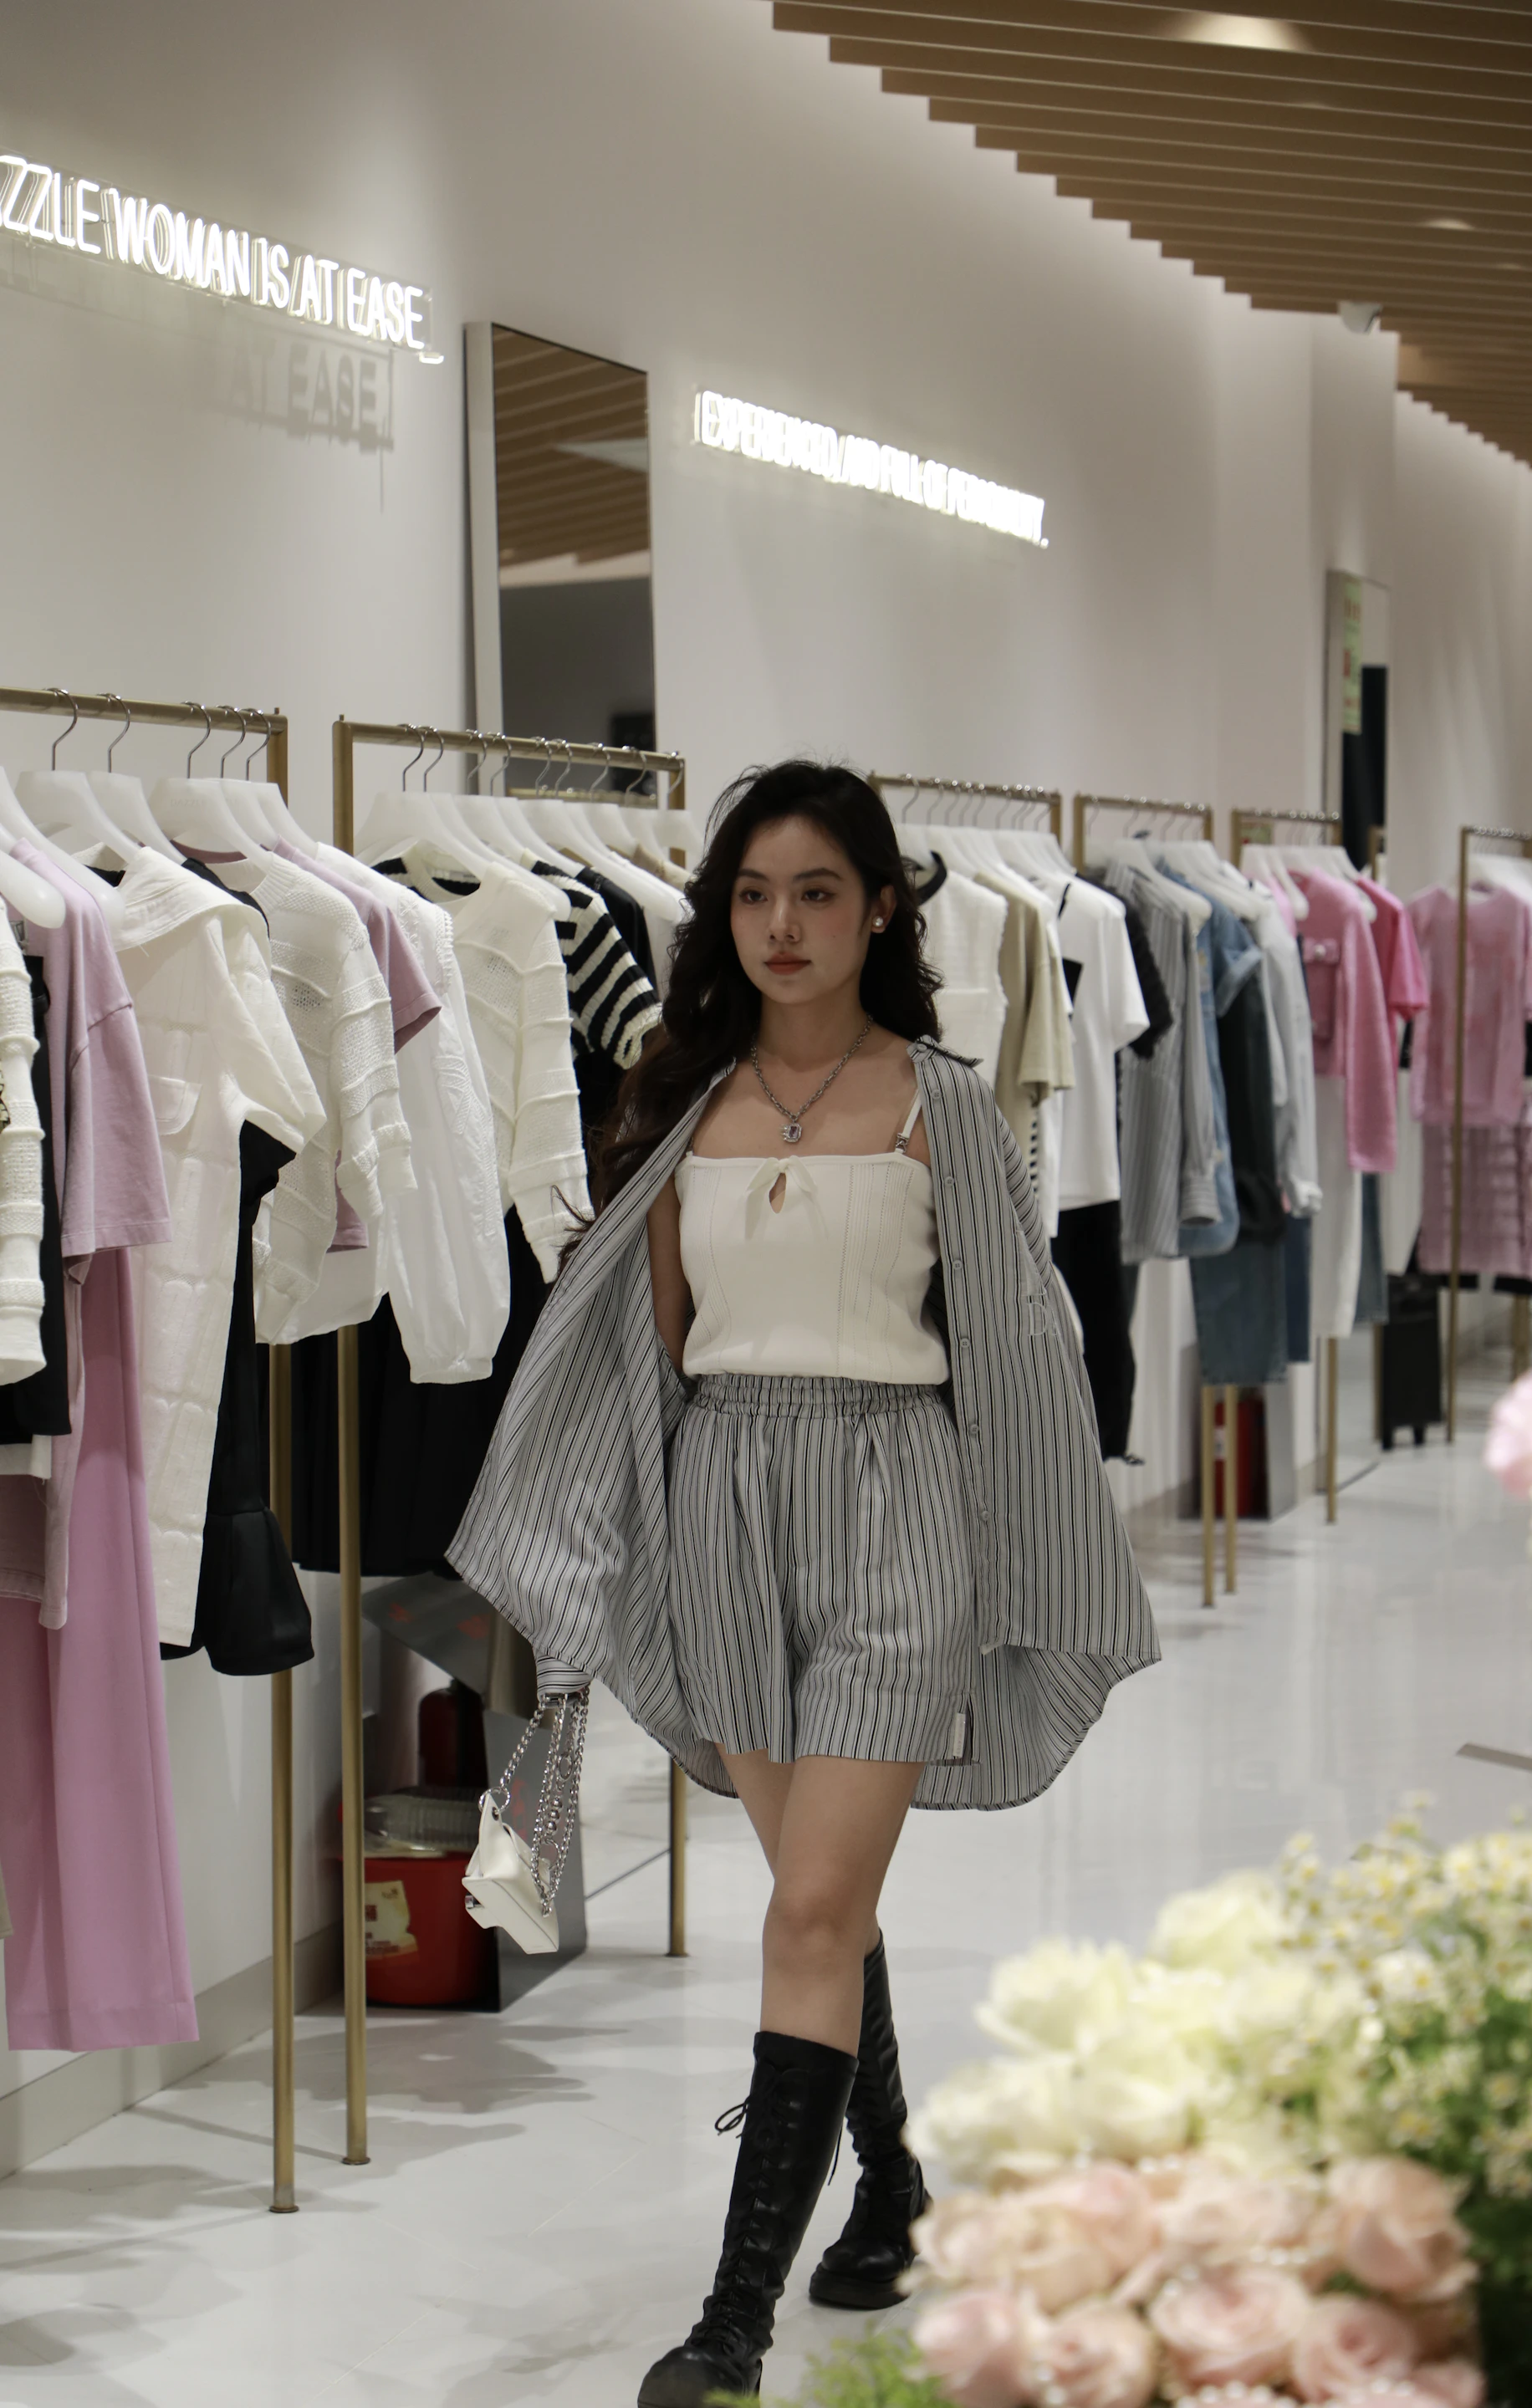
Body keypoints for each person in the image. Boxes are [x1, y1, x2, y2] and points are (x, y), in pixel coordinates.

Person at [450, 762, 1158, 2405]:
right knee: (812, 1902)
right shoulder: (679, 1102)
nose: (782, 925)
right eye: (754, 895)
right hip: (726, 1515)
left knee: (813, 1906)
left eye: (817, 892)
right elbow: (649, 1352)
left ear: (883, 909)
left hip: (896, 1509)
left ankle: (731, 2331)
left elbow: (1019, 1350)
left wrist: (1037, 1562)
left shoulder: (942, 1103)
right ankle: (893, 2181)